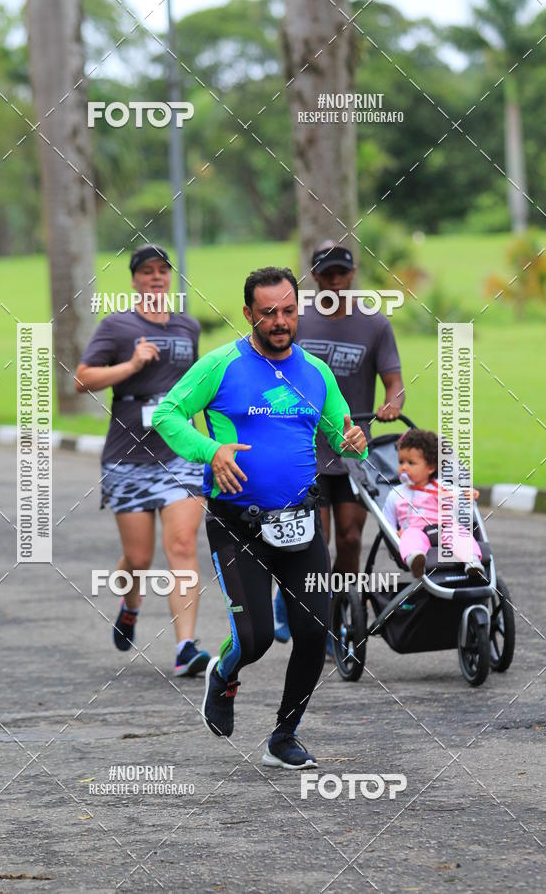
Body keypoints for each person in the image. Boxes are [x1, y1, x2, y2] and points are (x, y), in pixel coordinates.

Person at [152, 266, 368, 769]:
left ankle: (283, 736)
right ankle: (224, 674)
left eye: (288, 311)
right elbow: (167, 414)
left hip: (300, 521)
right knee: (256, 639)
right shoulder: (221, 365)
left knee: (316, 632)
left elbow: (339, 433)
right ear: (249, 313)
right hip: (238, 523)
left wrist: (351, 438)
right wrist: (211, 451)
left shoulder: (315, 372)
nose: (279, 321)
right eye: (268, 312)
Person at [74, 244, 210, 677]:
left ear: (169, 278)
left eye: (162, 271)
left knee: (184, 547)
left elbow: (197, 389)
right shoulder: (117, 325)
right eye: (147, 271)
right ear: (134, 280)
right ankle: (130, 605)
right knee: (139, 558)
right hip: (129, 457)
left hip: (181, 453)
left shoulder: (188, 326)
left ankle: (186, 647)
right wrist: (131, 364)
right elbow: (83, 379)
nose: (156, 277)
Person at [273, 239, 405, 642]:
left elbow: (395, 383)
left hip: (352, 447)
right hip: (305, 448)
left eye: (341, 274)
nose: (334, 282)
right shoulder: (298, 322)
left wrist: (392, 404)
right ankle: (309, 613)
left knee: (350, 537)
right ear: (313, 276)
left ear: (352, 274)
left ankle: (341, 611)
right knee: (317, 539)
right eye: (326, 274)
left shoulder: (374, 324)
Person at [382, 428, 483, 578]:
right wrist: (394, 534)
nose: (404, 467)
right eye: (401, 462)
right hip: (416, 531)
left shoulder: (443, 487)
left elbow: (460, 504)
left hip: (445, 529)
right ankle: (415, 558)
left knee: (459, 533)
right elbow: (387, 520)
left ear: (430, 467)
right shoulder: (396, 494)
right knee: (410, 536)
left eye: (411, 463)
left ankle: (472, 561)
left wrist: (468, 497)